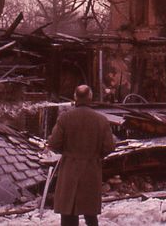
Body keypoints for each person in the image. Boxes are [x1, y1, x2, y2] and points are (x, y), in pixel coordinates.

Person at [48, 85, 115, 226]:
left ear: (75, 97)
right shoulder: (101, 120)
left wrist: (67, 152)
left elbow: (54, 143)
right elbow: (109, 147)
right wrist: (96, 155)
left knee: (68, 214)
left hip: (69, 170)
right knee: (91, 215)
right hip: (91, 170)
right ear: (90, 97)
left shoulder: (64, 118)